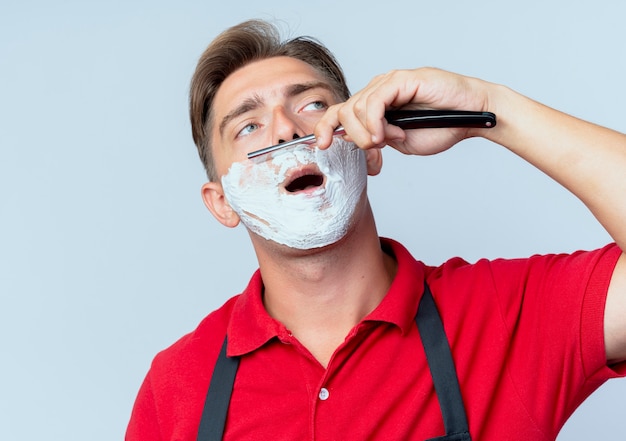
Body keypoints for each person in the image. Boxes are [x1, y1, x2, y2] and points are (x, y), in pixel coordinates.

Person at [126, 19, 626, 440]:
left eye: (312, 105)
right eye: (248, 126)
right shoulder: (175, 390)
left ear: (369, 148)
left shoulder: (504, 314)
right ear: (222, 203)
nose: (285, 130)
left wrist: (490, 110)